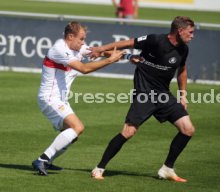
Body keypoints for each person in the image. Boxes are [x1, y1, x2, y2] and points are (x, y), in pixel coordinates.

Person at [90, 16, 196, 182]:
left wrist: (183, 95)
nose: (192, 36)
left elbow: (182, 71)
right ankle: (99, 167)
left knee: (188, 129)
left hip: (163, 95)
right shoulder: (155, 40)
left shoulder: (184, 49)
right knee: (128, 132)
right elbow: (127, 43)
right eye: (190, 32)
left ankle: (167, 169)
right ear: (180, 31)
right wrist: (100, 49)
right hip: (144, 94)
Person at [32, 21, 124, 176]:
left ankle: (47, 161)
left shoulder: (76, 47)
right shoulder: (59, 49)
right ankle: (42, 160)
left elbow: (98, 52)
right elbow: (84, 68)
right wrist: (111, 60)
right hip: (49, 98)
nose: (83, 43)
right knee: (78, 127)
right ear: (70, 36)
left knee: (71, 136)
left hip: (59, 99)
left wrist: (128, 56)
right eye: (81, 39)